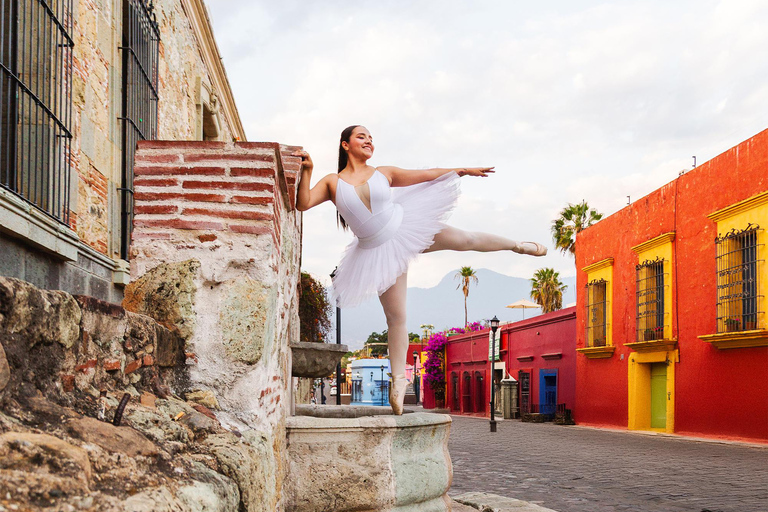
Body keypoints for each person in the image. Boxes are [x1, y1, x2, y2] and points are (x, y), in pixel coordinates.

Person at [295, 125, 546, 415]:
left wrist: (462, 170)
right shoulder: (331, 182)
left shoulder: (384, 172)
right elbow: (303, 203)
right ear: (345, 144)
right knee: (397, 317)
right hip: (377, 251)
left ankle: (517, 245)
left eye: (371, 138)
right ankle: (399, 382)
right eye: (361, 137)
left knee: (465, 239)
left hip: (405, 226)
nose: (368, 141)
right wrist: (308, 170)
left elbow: (426, 175)